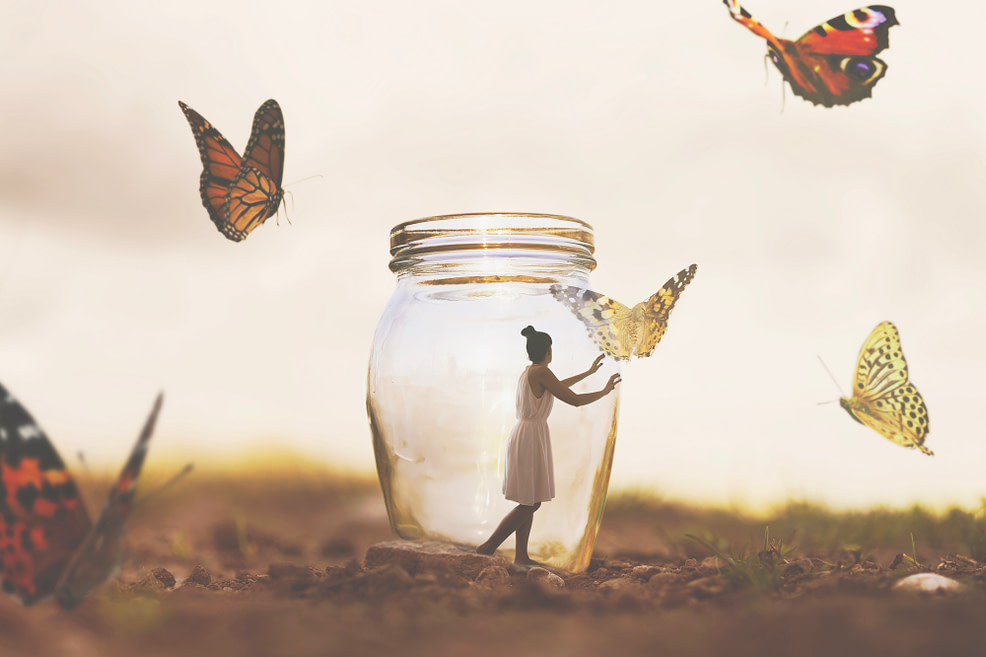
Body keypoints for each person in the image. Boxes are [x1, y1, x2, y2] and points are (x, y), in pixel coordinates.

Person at [477, 325, 620, 568]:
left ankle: (521, 556)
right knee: (530, 502)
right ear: (549, 351)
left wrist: (587, 373)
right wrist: (604, 392)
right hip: (530, 436)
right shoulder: (541, 373)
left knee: (529, 499)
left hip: (529, 433)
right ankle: (488, 547)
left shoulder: (532, 371)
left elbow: (557, 387)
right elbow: (572, 399)